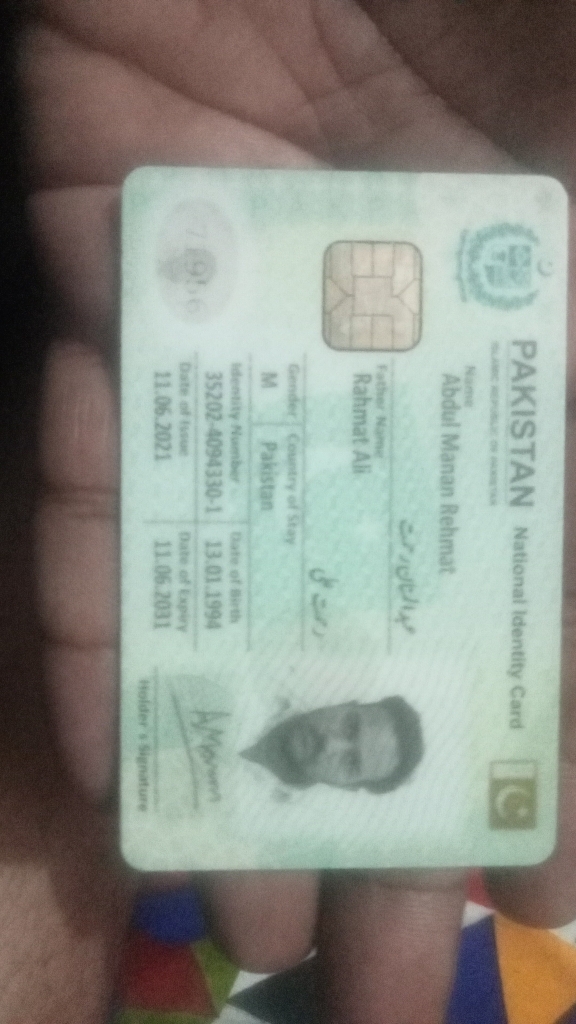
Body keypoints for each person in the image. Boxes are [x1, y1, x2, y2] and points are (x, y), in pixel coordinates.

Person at [13, 1, 576, 1020]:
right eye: (360, 731)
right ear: (349, 704)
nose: (339, 745)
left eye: (354, 763)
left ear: (347, 793)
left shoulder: (207, 741)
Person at [241, 697, 423, 792]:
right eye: (350, 727)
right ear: (344, 704)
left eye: (351, 763)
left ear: (346, 787)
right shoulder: (250, 690)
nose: (330, 745)